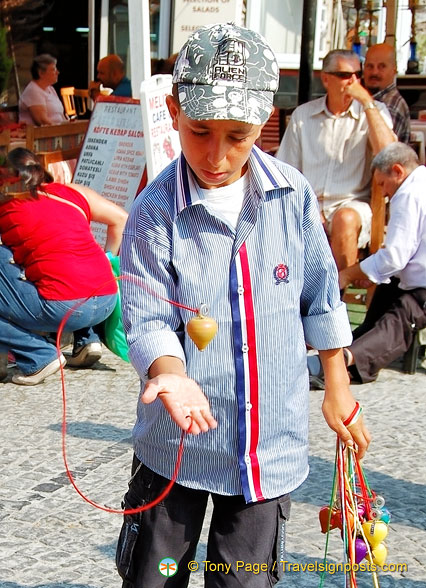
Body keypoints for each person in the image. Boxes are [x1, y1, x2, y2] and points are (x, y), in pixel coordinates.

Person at [117, 23, 370, 588]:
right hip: (176, 451)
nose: (217, 154)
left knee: (244, 578)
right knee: (156, 574)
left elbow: (320, 294)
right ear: (176, 109)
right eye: (200, 130)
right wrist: (169, 372)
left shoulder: (292, 195)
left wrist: (336, 384)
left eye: (238, 135)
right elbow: (147, 314)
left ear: (266, 120)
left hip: (267, 449)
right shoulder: (155, 212)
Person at [0, 148, 128, 385]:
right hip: (107, 297)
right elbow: (121, 218)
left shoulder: (7, 207)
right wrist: (108, 257)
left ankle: (39, 355)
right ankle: (87, 340)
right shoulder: (71, 192)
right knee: (69, 260)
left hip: (64, 309)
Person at [276, 49, 396, 272]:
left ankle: (336, 295)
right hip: (308, 202)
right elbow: (286, 170)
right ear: (326, 78)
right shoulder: (303, 115)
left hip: (351, 203)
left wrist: (367, 103)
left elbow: (389, 156)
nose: (352, 81)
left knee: (345, 219)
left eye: (357, 74)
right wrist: (310, 207)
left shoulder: (374, 111)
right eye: (344, 75)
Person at [338, 142, 426, 383]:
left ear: (398, 171)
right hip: (416, 276)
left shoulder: (409, 192)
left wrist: (349, 274)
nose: (385, 193)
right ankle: (350, 352)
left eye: (383, 185)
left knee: (401, 314)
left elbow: (396, 256)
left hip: (422, 288)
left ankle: (345, 360)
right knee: (385, 294)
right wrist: (371, 273)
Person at [363, 43, 411, 144]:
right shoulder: (367, 100)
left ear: (394, 70)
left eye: (382, 66)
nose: (374, 72)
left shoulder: (391, 104)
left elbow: (382, 151)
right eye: (370, 66)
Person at [19, 54, 68, 126]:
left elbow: (60, 116)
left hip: (57, 131)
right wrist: (64, 129)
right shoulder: (33, 90)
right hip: (42, 134)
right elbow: (42, 121)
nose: (57, 72)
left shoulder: (50, 89)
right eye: (53, 69)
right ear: (41, 73)